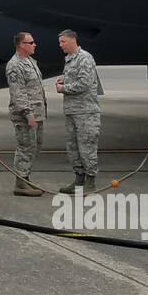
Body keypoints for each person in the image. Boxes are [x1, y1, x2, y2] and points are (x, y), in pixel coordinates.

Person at [55, 29, 103, 193]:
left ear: (72, 40)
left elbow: (85, 84)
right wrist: (64, 79)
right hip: (72, 111)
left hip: (86, 112)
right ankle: (79, 179)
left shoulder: (84, 58)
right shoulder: (69, 59)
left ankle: (90, 181)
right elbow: (76, 78)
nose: (60, 45)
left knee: (87, 147)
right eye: (60, 42)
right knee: (73, 147)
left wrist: (63, 88)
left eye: (63, 42)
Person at [5, 32, 47, 196]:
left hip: (37, 114)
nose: (35, 44)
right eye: (31, 42)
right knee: (25, 147)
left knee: (34, 147)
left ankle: (26, 179)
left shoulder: (30, 61)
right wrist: (28, 115)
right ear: (22, 45)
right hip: (25, 116)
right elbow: (18, 93)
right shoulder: (15, 65)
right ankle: (21, 183)